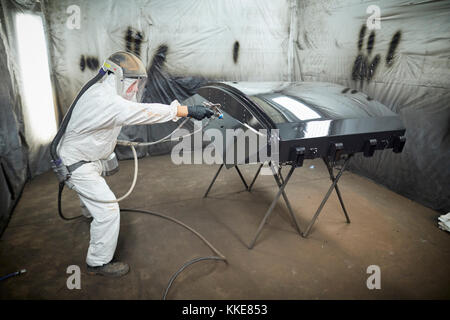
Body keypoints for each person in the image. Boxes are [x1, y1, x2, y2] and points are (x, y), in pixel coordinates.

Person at [57, 51, 213, 277]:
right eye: (133, 83)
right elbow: (143, 112)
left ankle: (89, 211)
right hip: (77, 163)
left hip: (86, 156)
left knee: (95, 190)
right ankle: (98, 263)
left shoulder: (101, 91)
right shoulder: (105, 100)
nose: (135, 90)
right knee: (109, 211)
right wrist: (185, 110)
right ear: (117, 77)